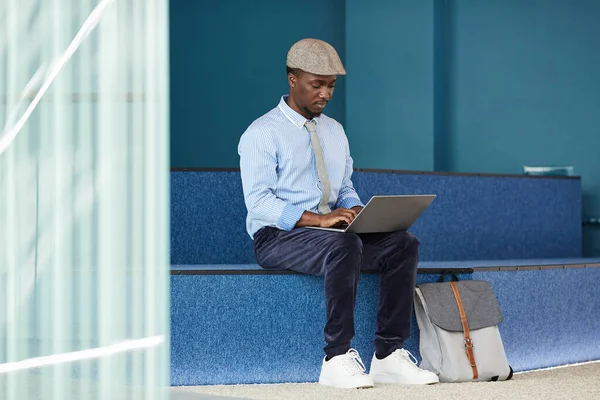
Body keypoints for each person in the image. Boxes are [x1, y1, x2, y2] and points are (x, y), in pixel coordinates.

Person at [238, 38, 439, 389]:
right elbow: (259, 203)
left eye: (331, 86)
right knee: (344, 247)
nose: (325, 94)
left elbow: (344, 187)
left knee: (402, 243)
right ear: (292, 78)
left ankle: (389, 356)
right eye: (317, 84)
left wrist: (359, 211)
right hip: (278, 237)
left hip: (331, 233)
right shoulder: (262, 133)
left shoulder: (334, 131)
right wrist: (317, 220)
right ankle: (335, 358)